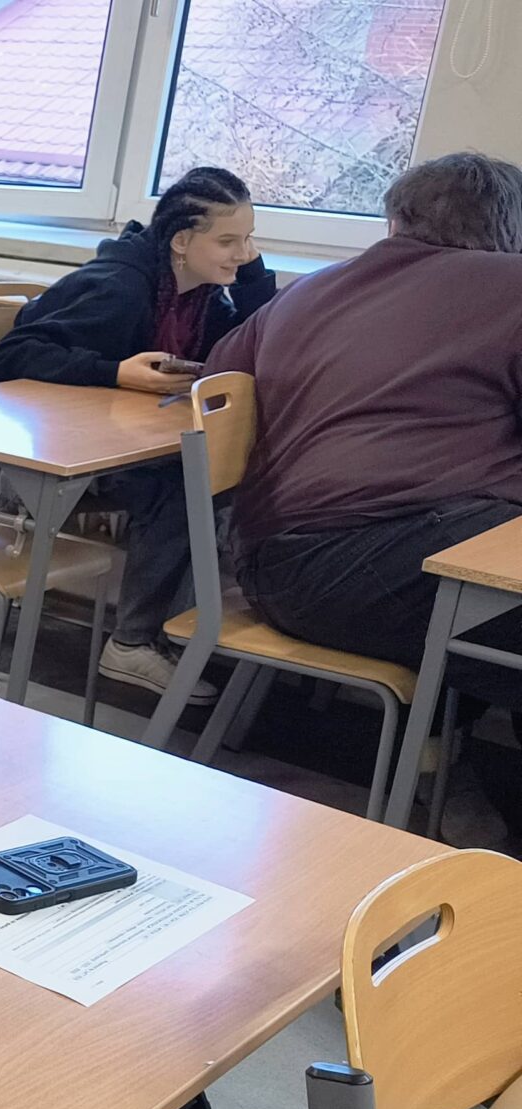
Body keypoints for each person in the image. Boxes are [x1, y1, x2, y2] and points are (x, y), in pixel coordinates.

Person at [215, 151, 522, 817]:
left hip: (270, 564)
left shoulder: (313, 287)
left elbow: (216, 381)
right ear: (509, 230)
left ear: (395, 221)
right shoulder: (511, 286)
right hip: (360, 566)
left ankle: (440, 760)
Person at [0, 167, 276, 702]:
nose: (243, 253)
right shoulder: (118, 286)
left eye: (250, 239)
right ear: (181, 242)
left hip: (109, 447)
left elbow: (258, 341)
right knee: (184, 486)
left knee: (215, 480)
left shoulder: (202, 294)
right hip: (35, 456)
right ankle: (135, 642)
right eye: (229, 241)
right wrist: (115, 372)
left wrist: (254, 277)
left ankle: (165, 636)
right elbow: (9, 358)